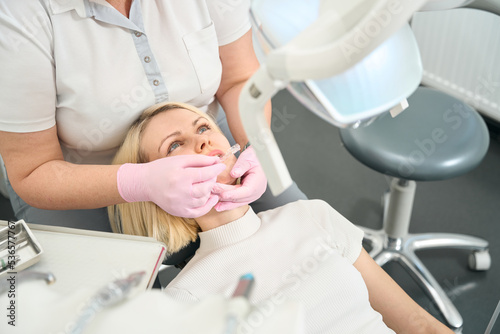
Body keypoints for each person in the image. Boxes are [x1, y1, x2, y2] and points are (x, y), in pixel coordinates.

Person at [108, 101, 453, 334]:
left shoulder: (311, 215)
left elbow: (418, 324)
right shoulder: (185, 298)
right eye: (173, 145)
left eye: (202, 127)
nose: (202, 142)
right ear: (155, 191)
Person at [0, 0, 306, 232]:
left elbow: (239, 79)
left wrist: (255, 147)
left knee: (301, 223)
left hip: (203, 122)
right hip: (77, 171)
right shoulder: (17, 17)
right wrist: (140, 182)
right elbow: (33, 170)